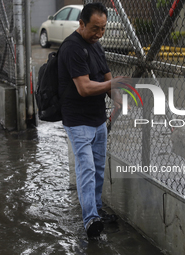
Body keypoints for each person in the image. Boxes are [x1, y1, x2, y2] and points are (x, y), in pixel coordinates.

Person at [58, 2, 121, 238]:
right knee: (86, 169)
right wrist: (112, 85)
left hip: (97, 120)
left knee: (98, 170)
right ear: (81, 24)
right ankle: (90, 220)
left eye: (103, 28)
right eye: (95, 28)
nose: (99, 34)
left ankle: (96, 210)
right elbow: (84, 88)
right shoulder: (72, 48)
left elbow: (106, 77)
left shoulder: (97, 46)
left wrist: (117, 98)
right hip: (78, 121)